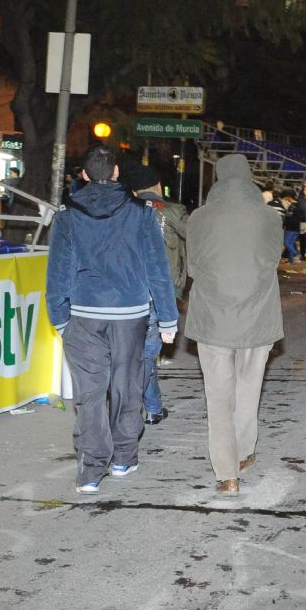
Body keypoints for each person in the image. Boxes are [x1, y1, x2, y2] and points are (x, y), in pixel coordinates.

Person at [46, 146, 179, 492]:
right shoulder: (142, 213)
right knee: (127, 387)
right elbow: (158, 270)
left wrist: (59, 319)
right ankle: (123, 457)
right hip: (130, 315)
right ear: (117, 173)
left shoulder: (66, 216)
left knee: (89, 395)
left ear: (85, 175)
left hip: (83, 315)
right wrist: (168, 319)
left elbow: (57, 273)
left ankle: (89, 472)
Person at [185, 154, 283, 494]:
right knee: (248, 389)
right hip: (258, 316)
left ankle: (227, 475)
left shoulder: (199, 217)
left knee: (219, 396)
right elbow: (273, 259)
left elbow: (193, 267)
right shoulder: (269, 217)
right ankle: (243, 453)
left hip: (213, 319)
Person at [125, 162, 189, 425]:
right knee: (147, 355)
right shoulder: (174, 211)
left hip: (128, 292)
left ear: (134, 191)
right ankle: (140, 409)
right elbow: (194, 237)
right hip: (161, 292)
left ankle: (149, 407)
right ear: (158, 187)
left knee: (135, 353)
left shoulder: (124, 211)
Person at [279, 191, 300, 262]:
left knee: (286, 243)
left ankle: (296, 254)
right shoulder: (299, 205)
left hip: (290, 227)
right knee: (291, 243)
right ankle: (291, 260)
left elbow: (288, 217)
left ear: (289, 197)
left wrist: (284, 225)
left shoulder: (292, 206)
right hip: (297, 227)